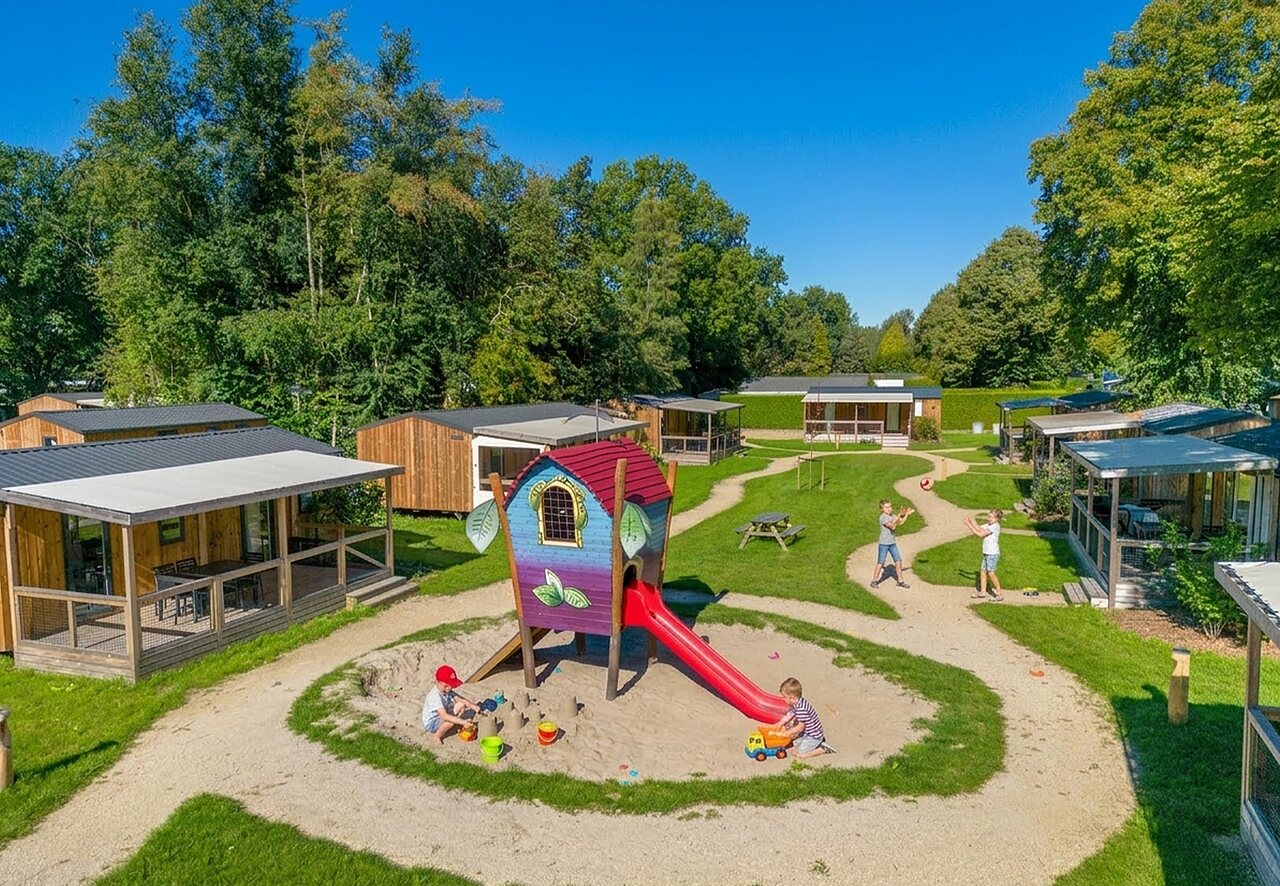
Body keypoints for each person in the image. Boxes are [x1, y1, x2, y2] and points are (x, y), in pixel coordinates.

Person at [773, 677, 834, 759]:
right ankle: (814, 745)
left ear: (792, 697)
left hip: (814, 736)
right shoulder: (797, 703)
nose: (783, 699)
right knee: (795, 747)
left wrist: (786, 733)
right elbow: (790, 714)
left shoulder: (802, 709)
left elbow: (800, 727)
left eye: (785, 697)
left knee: (800, 754)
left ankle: (823, 749)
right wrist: (780, 723)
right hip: (806, 733)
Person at [421, 664, 481, 744]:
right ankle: (437, 736)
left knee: (461, 705)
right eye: (446, 685)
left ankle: (454, 723)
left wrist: (473, 706)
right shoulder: (435, 696)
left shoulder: (446, 690)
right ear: (437, 682)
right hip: (432, 723)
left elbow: (460, 699)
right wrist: (463, 722)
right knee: (450, 721)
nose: (449, 688)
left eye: (451, 685)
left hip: (442, 714)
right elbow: (444, 716)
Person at [871, 499, 915, 589]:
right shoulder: (883, 517)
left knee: (898, 561)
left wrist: (905, 515)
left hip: (892, 543)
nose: (889, 509)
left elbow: (900, 522)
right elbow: (893, 526)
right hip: (884, 544)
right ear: (882, 509)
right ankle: (874, 581)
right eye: (886, 507)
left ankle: (900, 581)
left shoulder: (892, 516)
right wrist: (899, 515)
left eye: (890, 507)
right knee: (880, 562)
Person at [964, 509, 1004, 602]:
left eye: (991, 517)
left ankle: (999, 594)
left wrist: (968, 524)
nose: (988, 518)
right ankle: (983, 592)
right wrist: (972, 520)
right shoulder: (989, 525)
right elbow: (979, 528)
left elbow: (980, 534)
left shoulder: (995, 526)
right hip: (987, 553)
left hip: (992, 554)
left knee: (991, 573)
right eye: (988, 516)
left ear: (997, 518)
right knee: (983, 572)